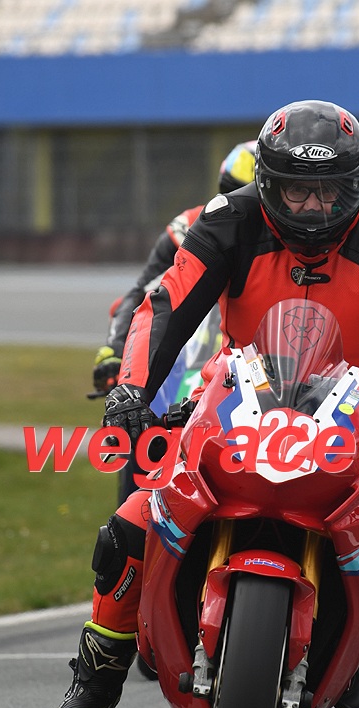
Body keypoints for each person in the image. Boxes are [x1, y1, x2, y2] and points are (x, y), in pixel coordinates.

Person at [37, 100, 359, 708]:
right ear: (268, 183)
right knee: (131, 524)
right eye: (297, 190)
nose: (313, 207)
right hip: (235, 400)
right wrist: (132, 388)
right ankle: (95, 683)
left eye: (329, 191)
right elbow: (164, 306)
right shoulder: (229, 219)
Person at [91, 139, 256, 502]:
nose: (248, 205)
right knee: (137, 431)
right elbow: (144, 294)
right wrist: (114, 352)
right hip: (184, 372)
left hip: (251, 379)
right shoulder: (195, 225)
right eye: (236, 192)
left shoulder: (299, 243)